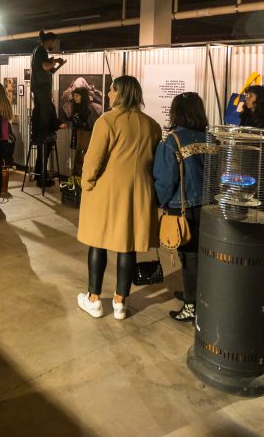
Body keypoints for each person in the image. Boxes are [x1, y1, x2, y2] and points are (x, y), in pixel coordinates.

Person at [76, 76, 161, 320]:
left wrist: (86, 183)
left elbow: (93, 160)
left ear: (119, 93)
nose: (108, 94)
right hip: (139, 194)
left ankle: (94, 299)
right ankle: (120, 303)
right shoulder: (152, 125)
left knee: (98, 241)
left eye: (112, 90)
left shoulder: (107, 121)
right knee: (128, 245)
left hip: (107, 192)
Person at [153, 92, 208, 323]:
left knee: (189, 257)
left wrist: (160, 203)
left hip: (183, 207)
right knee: (205, 255)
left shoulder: (172, 142)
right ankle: (198, 295)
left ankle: (191, 305)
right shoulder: (210, 139)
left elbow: (165, 181)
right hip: (210, 206)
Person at [31, 30, 66, 187]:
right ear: (49, 41)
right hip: (41, 90)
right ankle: (45, 133)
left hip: (41, 90)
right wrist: (54, 60)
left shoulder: (39, 51)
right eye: (53, 42)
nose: (54, 45)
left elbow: (49, 71)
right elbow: (46, 67)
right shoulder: (41, 50)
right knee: (46, 116)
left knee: (46, 112)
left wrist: (58, 64)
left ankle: (40, 174)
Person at [69, 86, 96, 177]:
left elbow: (91, 125)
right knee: (78, 160)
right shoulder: (77, 107)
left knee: (81, 160)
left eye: (77, 95)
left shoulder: (89, 108)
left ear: (83, 96)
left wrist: (78, 121)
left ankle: (79, 180)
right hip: (80, 136)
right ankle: (76, 180)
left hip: (86, 137)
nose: (74, 97)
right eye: (74, 95)